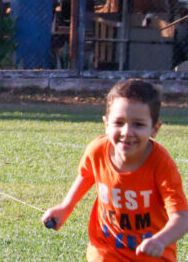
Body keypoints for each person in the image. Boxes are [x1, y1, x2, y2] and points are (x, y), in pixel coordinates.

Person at [42, 78, 188, 261]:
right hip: (106, 250)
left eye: (138, 124)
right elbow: (86, 175)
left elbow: (181, 217)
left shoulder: (161, 164)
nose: (127, 132)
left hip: (151, 255)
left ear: (155, 129)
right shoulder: (97, 150)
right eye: (119, 122)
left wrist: (160, 241)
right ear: (106, 123)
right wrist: (65, 207)